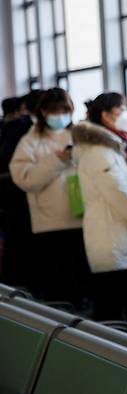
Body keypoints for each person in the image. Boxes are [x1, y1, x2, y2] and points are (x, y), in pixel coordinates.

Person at [73, 92, 127, 323]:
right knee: (112, 311)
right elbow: (123, 198)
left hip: (120, 240)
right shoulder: (99, 153)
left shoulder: (113, 148)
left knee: (116, 308)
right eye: (121, 111)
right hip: (112, 241)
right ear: (106, 116)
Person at [9, 87, 92, 306]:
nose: (60, 115)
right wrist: (57, 160)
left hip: (83, 217)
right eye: (55, 110)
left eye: (65, 110)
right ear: (43, 112)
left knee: (82, 283)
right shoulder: (30, 141)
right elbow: (25, 179)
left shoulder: (80, 134)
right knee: (59, 286)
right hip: (50, 223)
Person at [0, 90, 43, 287]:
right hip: (21, 194)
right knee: (23, 240)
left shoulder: (11, 128)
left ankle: (17, 282)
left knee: (17, 240)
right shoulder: (25, 131)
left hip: (11, 195)